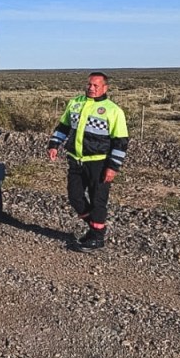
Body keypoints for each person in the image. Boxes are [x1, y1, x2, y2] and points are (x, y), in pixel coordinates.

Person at [47, 72, 130, 252]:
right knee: (75, 197)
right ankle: (95, 227)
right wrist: (54, 144)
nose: (91, 88)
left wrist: (113, 167)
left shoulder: (113, 110)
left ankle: (97, 237)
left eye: (96, 86)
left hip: (99, 163)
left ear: (105, 88)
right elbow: (64, 126)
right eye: (89, 85)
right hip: (76, 160)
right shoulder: (75, 103)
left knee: (98, 200)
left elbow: (121, 142)